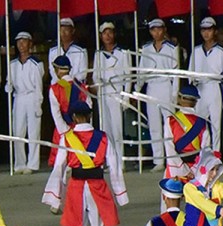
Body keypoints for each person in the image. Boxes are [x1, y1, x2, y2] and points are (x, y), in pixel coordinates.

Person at [43, 100, 128, 226]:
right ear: (90, 116)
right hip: (97, 186)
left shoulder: (67, 138)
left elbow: (59, 167)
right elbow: (114, 166)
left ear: (73, 117)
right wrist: (120, 194)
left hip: (76, 187)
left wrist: (55, 197)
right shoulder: (103, 138)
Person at [138, 18, 180, 170]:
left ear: (164, 30)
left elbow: (176, 71)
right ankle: (159, 160)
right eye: (153, 29)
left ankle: (172, 158)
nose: (156, 32)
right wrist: (137, 88)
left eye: (159, 29)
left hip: (165, 86)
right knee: (154, 125)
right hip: (151, 86)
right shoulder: (146, 48)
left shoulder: (171, 47)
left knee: (169, 124)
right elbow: (142, 70)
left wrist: (175, 92)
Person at [5, 32, 43, 173]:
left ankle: (32, 164)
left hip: (32, 96)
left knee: (33, 132)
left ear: (30, 43)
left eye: (24, 41)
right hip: (19, 97)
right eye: (19, 41)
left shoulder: (36, 63)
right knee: (18, 132)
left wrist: (38, 103)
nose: (21, 44)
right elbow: (10, 81)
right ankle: (20, 163)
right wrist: (8, 86)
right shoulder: (12, 63)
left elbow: (39, 85)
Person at [92, 22, 130, 164]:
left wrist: (125, 95)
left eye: (110, 33)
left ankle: (120, 160)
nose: (107, 36)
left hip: (117, 91)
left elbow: (128, 76)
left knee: (117, 128)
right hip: (104, 91)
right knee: (105, 128)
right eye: (104, 33)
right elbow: (95, 74)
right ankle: (109, 160)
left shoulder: (122, 53)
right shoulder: (99, 54)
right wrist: (97, 85)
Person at [188, 17, 223, 146]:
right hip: (200, 88)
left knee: (216, 125)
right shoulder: (196, 50)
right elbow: (190, 72)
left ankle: (216, 155)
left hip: (214, 87)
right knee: (200, 124)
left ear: (214, 31)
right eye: (203, 30)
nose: (206, 33)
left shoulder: (222, 51)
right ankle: (203, 153)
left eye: (209, 30)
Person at [47, 55, 90, 167]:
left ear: (57, 70)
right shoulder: (81, 86)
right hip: (79, 128)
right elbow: (89, 105)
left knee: (60, 163)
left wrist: (64, 131)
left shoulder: (54, 89)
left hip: (63, 128)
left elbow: (56, 113)